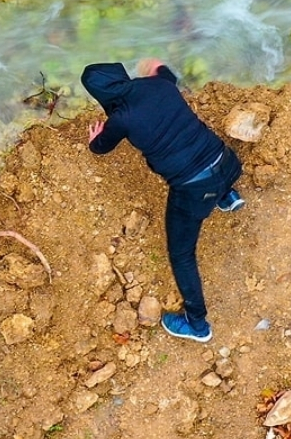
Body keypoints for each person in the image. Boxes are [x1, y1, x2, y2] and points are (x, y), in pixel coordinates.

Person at [82, 59, 243, 343]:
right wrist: (157, 68)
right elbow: (167, 75)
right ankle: (227, 197)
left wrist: (96, 137)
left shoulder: (122, 117)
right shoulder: (159, 85)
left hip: (194, 190)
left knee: (182, 255)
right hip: (227, 162)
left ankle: (197, 325)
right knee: (204, 156)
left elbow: (100, 147)